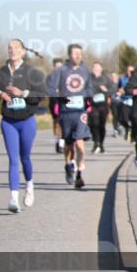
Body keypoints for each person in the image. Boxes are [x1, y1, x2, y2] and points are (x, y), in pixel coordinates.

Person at [0, 39, 45, 212]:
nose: (12, 50)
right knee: (13, 160)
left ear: (22, 52)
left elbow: (41, 94)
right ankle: (13, 198)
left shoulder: (31, 72)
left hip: (27, 121)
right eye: (10, 48)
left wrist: (22, 93)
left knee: (25, 158)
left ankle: (29, 186)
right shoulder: (1, 72)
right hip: (8, 121)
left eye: (16, 48)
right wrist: (0, 93)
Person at [45, 44, 93, 189]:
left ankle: (79, 173)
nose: (78, 56)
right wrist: (59, 98)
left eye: (80, 53)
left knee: (79, 143)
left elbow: (90, 88)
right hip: (66, 112)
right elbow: (50, 88)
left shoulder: (85, 71)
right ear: (69, 55)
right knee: (69, 144)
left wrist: (86, 97)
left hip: (80, 112)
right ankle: (68, 165)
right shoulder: (61, 71)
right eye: (75, 53)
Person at [88, 61, 113, 154]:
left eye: (98, 68)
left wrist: (106, 90)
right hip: (92, 105)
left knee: (101, 125)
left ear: (101, 69)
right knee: (93, 124)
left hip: (103, 105)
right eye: (94, 68)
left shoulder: (106, 78)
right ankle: (96, 143)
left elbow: (113, 89)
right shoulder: (88, 78)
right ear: (92, 69)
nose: (96, 69)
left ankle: (101, 144)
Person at [48, 57, 64, 153]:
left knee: (63, 123)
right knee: (56, 123)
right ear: (53, 67)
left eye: (60, 66)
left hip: (64, 102)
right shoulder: (50, 77)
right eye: (56, 66)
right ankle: (58, 140)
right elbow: (49, 90)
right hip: (54, 102)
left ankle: (61, 143)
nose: (58, 68)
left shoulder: (66, 75)